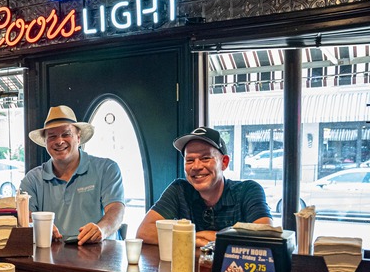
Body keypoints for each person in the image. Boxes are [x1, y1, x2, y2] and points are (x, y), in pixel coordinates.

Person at [136, 126, 273, 247]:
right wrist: (193, 238)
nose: (196, 166)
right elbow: (144, 232)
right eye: (189, 160)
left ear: (224, 163)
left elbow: (266, 235)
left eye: (205, 158)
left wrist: (211, 237)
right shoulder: (179, 190)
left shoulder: (247, 191)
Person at [19, 105, 126, 245]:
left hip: (101, 257)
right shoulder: (32, 179)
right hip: (52, 258)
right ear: (45, 142)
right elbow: (24, 216)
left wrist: (101, 229)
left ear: (78, 138)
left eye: (66, 134)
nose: (59, 141)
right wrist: (38, 226)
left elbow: (115, 210)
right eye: (52, 136)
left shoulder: (107, 168)